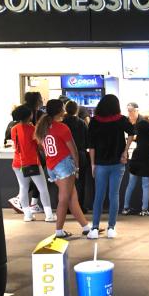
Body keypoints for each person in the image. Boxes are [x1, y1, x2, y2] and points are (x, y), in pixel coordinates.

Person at [34, 99, 92, 239]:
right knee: (65, 199)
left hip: (51, 166)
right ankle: (59, 231)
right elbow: (74, 150)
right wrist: (77, 168)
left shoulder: (42, 127)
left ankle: (86, 227)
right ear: (60, 110)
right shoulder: (62, 128)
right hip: (64, 165)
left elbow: (42, 148)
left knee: (72, 197)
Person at [87, 94, 134, 239]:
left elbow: (91, 145)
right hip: (117, 163)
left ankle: (94, 228)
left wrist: (93, 163)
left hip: (100, 163)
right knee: (114, 195)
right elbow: (132, 132)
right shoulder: (121, 120)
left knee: (99, 196)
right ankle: (111, 228)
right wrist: (125, 150)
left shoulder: (94, 121)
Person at [9, 104, 54, 223]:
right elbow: (39, 145)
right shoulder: (32, 129)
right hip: (32, 163)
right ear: (29, 116)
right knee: (43, 188)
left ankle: (27, 215)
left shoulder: (14, 129)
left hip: (18, 163)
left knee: (23, 188)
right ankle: (49, 215)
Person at [124, 115, 149, 216]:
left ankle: (125, 208)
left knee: (130, 185)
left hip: (136, 158)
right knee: (145, 185)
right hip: (147, 159)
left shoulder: (139, 138)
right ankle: (144, 209)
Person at [63, 100, 91, 212]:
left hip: (65, 155)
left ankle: (68, 207)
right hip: (80, 154)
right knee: (81, 182)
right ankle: (79, 206)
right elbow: (88, 140)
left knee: (66, 182)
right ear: (77, 110)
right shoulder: (82, 123)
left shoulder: (62, 124)